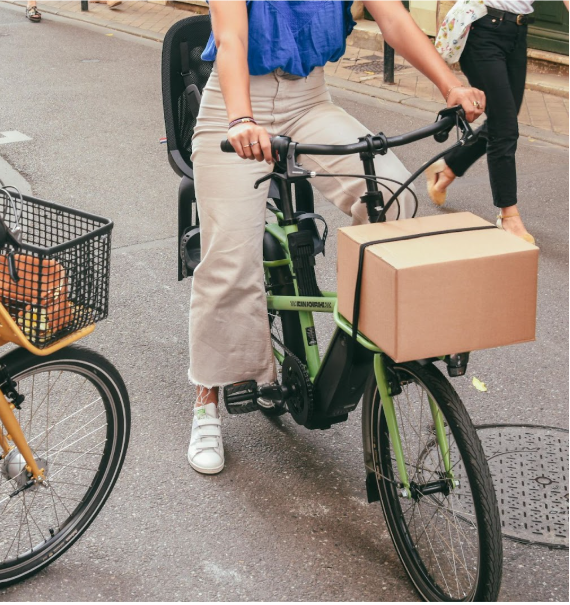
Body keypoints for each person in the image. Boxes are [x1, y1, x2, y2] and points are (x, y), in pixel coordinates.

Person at [186, 0, 486, 474]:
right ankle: (207, 399)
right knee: (228, 259)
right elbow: (231, 38)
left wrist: (451, 85)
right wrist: (242, 118)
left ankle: (363, 325)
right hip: (236, 101)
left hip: (309, 100)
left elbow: (393, 18)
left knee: (395, 199)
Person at [426, 0, 568, 245]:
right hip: (484, 31)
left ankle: (448, 167)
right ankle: (508, 215)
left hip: (517, 32)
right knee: (505, 128)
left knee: (503, 122)